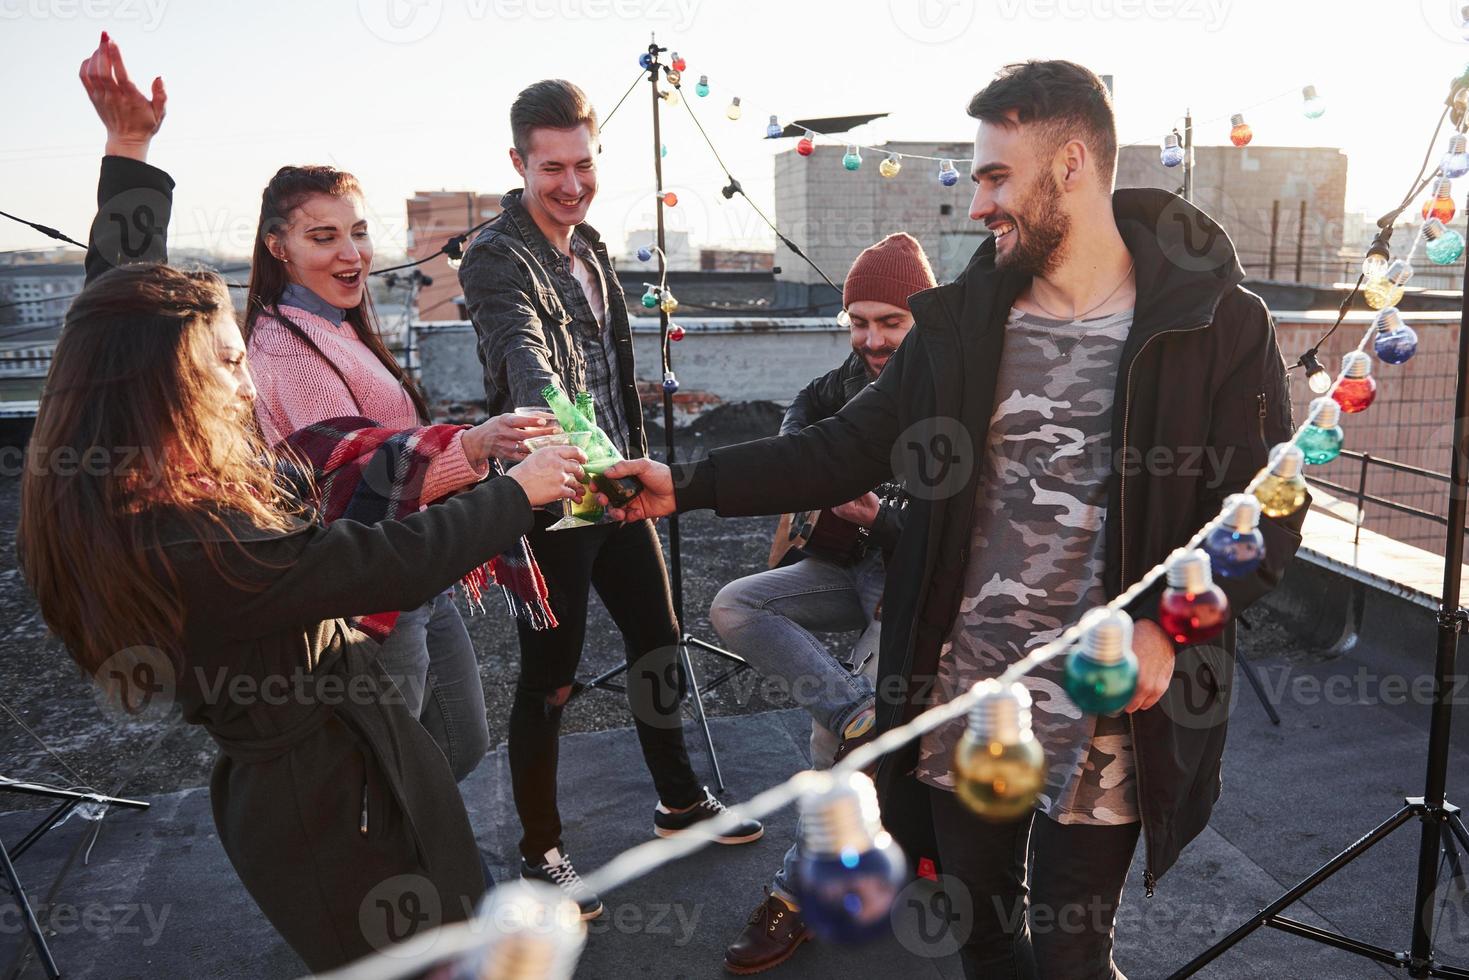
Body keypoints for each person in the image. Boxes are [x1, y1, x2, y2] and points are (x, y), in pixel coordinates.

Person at [602, 60, 1306, 979]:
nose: (977, 206)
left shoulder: (1217, 323)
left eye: (993, 176)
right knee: (975, 933)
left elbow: (1268, 512)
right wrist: (683, 481)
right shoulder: (962, 321)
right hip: (962, 700)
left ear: (1069, 167)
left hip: (1106, 719)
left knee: (1068, 957)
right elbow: (844, 446)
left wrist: (1169, 629)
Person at [16, 35, 589, 972]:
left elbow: (111, 308)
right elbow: (372, 562)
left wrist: (127, 154)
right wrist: (517, 495)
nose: (246, 390)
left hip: (340, 763)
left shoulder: (122, 471)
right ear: (166, 387)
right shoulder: (190, 535)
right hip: (328, 808)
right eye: (227, 368)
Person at [456, 78, 762, 920]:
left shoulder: (590, 247)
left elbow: (615, 372)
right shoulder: (492, 256)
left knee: (658, 641)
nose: (569, 183)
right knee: (549, 679)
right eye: (550, 167)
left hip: (615, 480)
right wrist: (566, 438)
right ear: (517, 163)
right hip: (549, 493)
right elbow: (522, 352)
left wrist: (623, 459)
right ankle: (540, 850)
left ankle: (678, 801)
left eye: (582, 164)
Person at [239, 159, 559, 785]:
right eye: (322, 236)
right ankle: (402, 874)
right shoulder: (286, 346)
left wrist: (473, 444)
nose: (351, 252)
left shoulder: (331, 326)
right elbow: (345, 480)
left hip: (412, 574)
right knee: (388, 772)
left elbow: (386, 444)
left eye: (357, 232)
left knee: (456, 745)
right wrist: (470, 448)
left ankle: (419, 863)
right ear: (278, 247)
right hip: (369, 597)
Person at [712, 233, 935, 974]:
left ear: (921, 319)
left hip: (910, 577)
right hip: (845, 567)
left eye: (890, 323)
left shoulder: (951, 392)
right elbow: (794, 428)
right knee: (735, 607)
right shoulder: (842, 382)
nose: (871, 340)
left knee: (829, 753)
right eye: (858, 322)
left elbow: (969, 531)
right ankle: (855, 714)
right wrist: (815, 483)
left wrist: (882, 516)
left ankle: (798, 893)